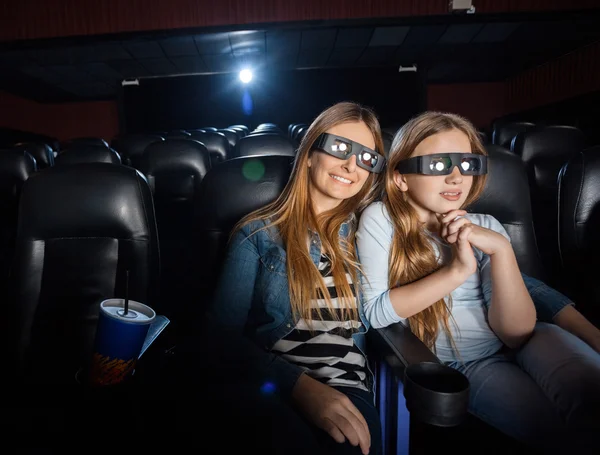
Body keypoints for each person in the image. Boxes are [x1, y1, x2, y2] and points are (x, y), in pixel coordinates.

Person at [356, 111, 600, 453]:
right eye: (439, 165)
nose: (457, 177)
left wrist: (501, 252)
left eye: (468, 164)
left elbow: (516, 333)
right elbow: (376, 314)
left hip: (527, 341)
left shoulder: (487, 225)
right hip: (465, 362)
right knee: (555, 433)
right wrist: (457, 269)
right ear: (401, 178)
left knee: (591, 394)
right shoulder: (382, 220)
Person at [205, 101, 388, 455]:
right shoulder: (257, 233)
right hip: (271, 384)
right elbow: (218, 341)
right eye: (339, 148)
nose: (352, 165)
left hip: (348, 390)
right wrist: (298, 386)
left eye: (366, 158)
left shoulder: (370, 234)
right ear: (308, 154)